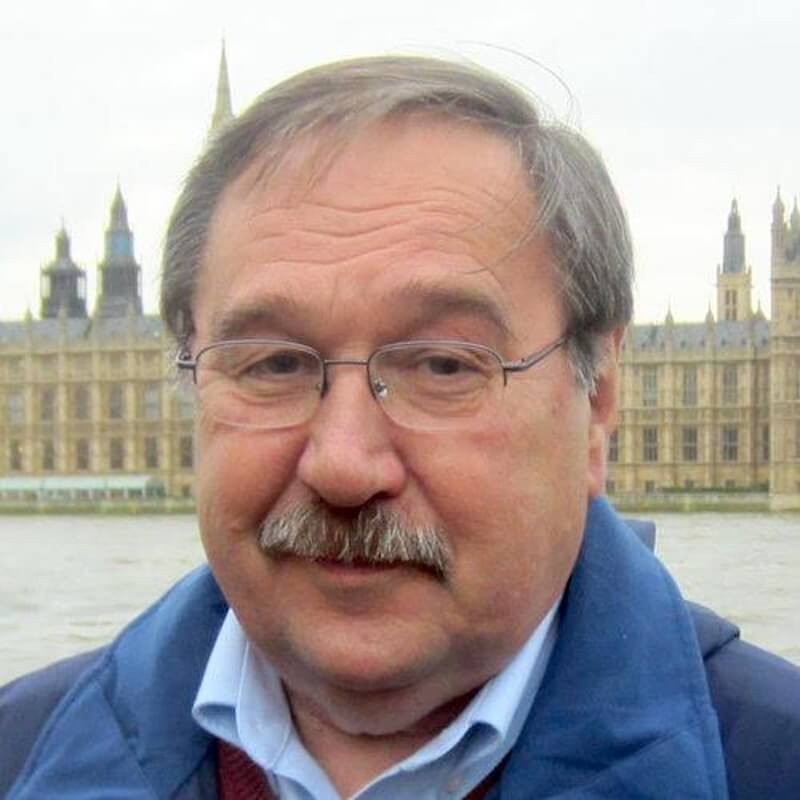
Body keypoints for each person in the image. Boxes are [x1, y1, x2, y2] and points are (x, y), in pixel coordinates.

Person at [2, 55, 798, 800]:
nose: (344, 464)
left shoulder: (774, 759)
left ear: (595, 403)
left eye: (444, 365)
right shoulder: (19, 751)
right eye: (274, 364)